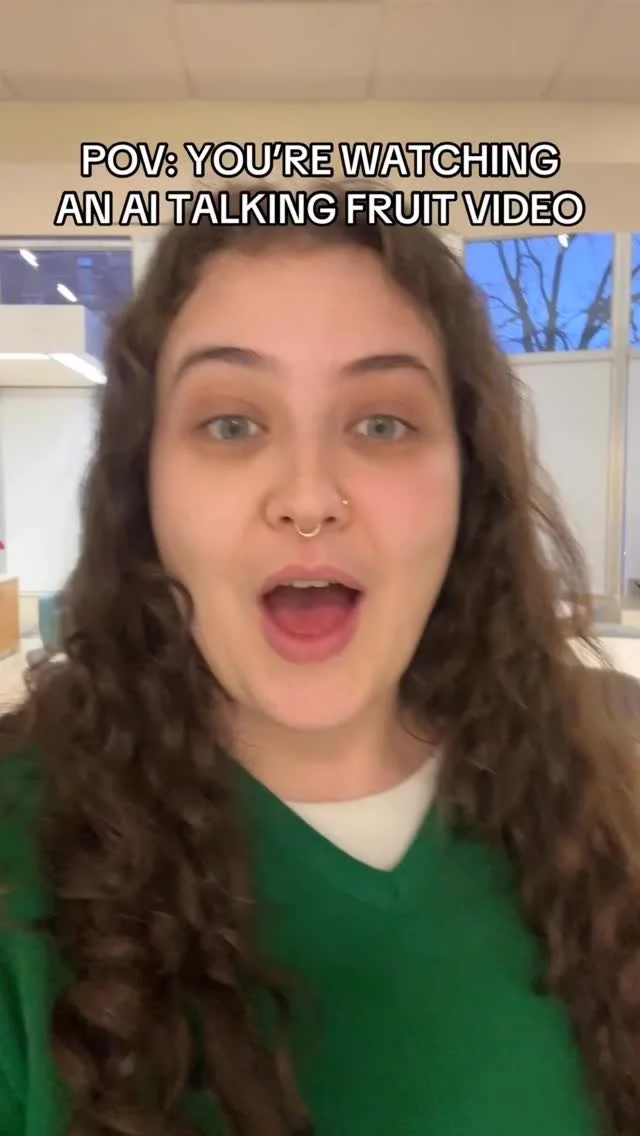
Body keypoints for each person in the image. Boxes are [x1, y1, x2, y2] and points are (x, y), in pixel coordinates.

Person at [0, 182, 639, 1136]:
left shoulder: (606, 817)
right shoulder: (18, 868)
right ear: (144, 492)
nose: (308, 497)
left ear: (467, 486)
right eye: (232, 424)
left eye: (382, 424)